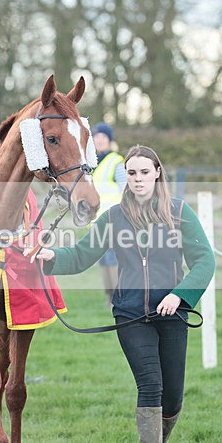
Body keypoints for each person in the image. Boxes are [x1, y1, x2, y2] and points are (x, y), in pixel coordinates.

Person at [25, 145, 215, 443]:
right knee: (150, 385)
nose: (138, 179)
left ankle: (161, 441)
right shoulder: (113, 218)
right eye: (132, 173)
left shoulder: (180, 213)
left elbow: (205, 262)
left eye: (144, 172)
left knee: (172, 396)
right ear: (125, 176)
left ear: (157, 172)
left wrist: (180, 295)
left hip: (172, 315)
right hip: (130, 315)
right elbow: (81, 256)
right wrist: (50, 255)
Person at [90, 122, 126, 306]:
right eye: (96, 137)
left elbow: (126, 187)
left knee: (112, 257)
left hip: (115, 218)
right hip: (97, 220)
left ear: (110, 140)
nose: (99, 140)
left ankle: (117, 297)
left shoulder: (115, 161)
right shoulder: (89, 163)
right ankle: (109, 296)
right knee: (102, 259)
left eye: (103, 137)